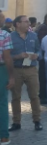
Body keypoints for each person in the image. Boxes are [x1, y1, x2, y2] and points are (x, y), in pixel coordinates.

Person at [9, 15, 42, 132]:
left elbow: (39, 49)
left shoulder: (33, 36)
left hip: (31, 69)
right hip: (16, 69)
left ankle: (37, 121)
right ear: (18, 24)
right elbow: (6, 56)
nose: (29, 23)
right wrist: (17, 56)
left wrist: (37, 55)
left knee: (34, 96)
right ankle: (16, 122)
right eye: (26, 21)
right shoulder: (10, 37)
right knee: (16, 97)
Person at [0, 13, 14, 145]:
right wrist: (11, 76)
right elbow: (7, 57)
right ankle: (3, 136)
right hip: (1, 69)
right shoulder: (4, 35)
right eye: (1, 17)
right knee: (2, 103)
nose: (3, 19)